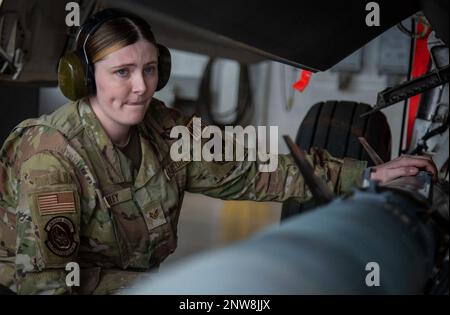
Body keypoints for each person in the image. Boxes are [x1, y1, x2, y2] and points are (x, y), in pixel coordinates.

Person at [0, 8, 437, 294]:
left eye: (149, 69)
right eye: (122, 72)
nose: (140, 87)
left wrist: (363, 176)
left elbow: (247, 167)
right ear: (85, 78)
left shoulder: (162, 128)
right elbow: (47, 284)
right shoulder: (50, 156)